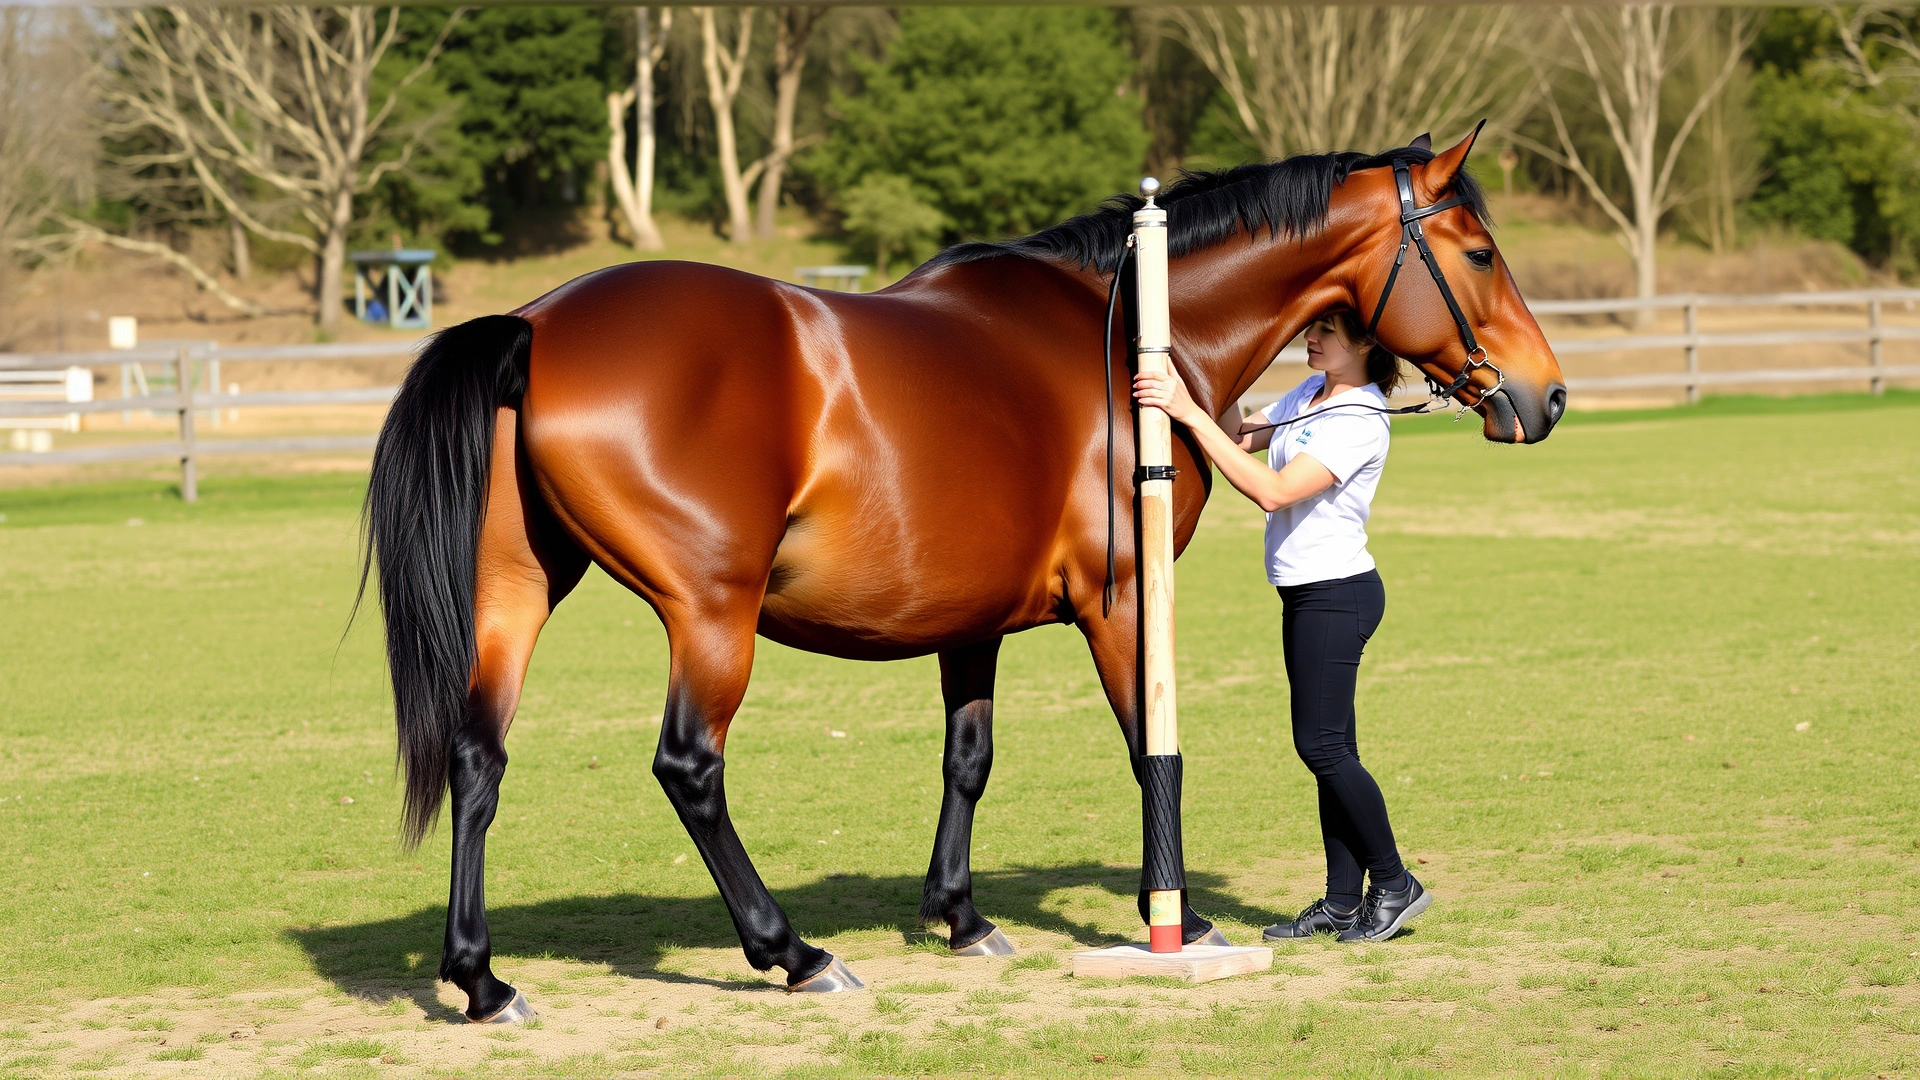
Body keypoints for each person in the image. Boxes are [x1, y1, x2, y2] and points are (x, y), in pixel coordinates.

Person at [1132, 310, 1430, 943]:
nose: (1310, 338)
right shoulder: (1311, 395)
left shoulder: (1358, 419)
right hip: (1306, 594)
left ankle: (1396, 882)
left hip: (1337, 595)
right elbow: (1240, 436)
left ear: (1367, 342)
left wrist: (1186, 412)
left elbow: (1272, 490)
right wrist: (1230, 362)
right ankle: (1343, 900)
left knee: (1320, 747)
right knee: (1332, 752)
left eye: (1326, 330)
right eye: (1310, 327)